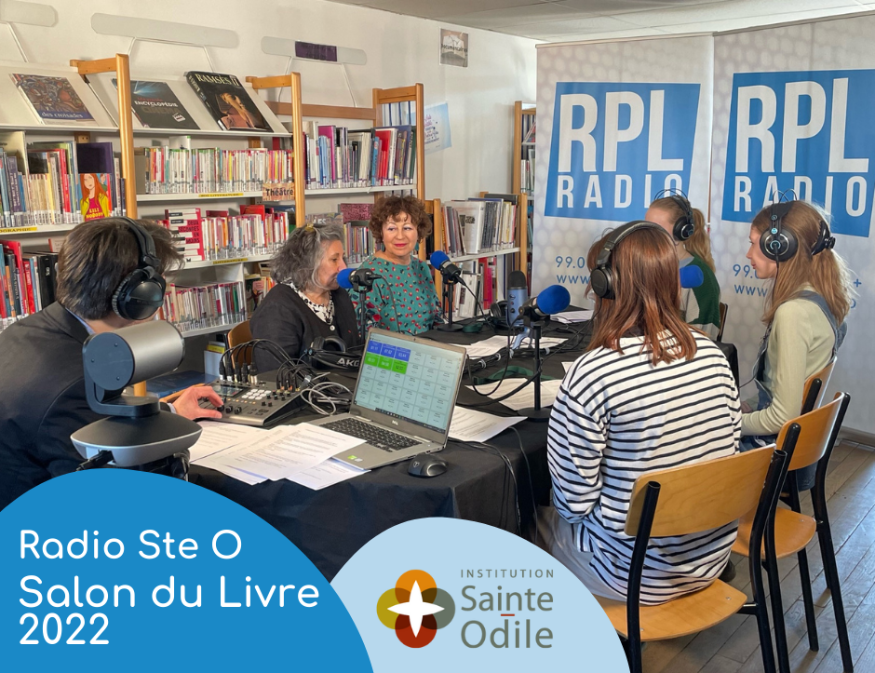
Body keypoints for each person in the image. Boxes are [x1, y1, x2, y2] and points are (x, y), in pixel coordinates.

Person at [542, 221, 741, 605]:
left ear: (606, 285)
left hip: (631, 577)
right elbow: (729, 451)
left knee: (513, 523)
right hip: (710, 560)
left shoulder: (592, 373)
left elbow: (572, 505)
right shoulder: (713, 355)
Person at [0, 217, 223, 511]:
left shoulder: (27, 331)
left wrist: (169, 412)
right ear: (139, 295)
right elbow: (112, 503)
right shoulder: (78, 382)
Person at [741, 202, 852, 484]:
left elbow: (782, 417)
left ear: (780, 247)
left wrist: (726, 423)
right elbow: (791, 391)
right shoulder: (821, 300)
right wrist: (750, 405)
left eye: (753, 244)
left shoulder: (793, 313)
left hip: (773, 454)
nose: (748, 254)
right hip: (794, 451)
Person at [250, 221, 360, 371]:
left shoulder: (339, 295)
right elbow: (275, 373)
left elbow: (353, 353)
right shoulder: (277, 309)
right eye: (334, 259)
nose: (344, 267)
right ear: (308, 265)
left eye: (343, 258)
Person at [350, 196, 440, 334]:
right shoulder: (369, 275)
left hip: (429, 345)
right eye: (391, 229)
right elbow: (363, 333)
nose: (400, 236)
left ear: (418, 231)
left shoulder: (422, 268)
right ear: (381, 232)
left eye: (407, 228)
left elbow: (436, 318)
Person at [645, 193, 721, 339]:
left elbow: (702, 341)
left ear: (681, 232)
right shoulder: (644, 267)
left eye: (657, 229)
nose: (648, 235)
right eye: (646, 227)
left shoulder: (700, 278)